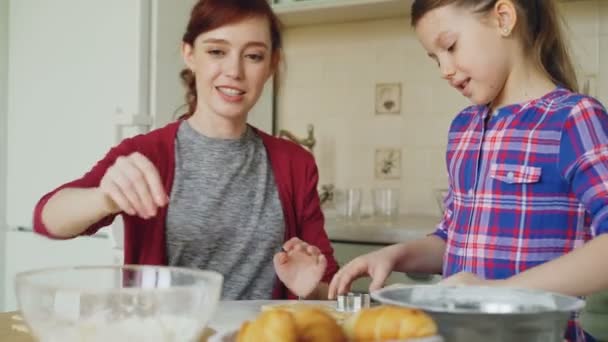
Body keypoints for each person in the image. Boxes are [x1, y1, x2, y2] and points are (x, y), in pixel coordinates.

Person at [328, 0, 608, 341]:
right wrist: (394, 255)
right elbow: (452, 239)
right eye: (435, 58)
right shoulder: (464, 128)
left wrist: (498, 293)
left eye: (450, 47)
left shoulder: (573, 118)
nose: (444, 69)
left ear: (503, 19)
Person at [32, 0, 338, 301]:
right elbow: (46, 219)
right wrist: (103, 198)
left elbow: (327, 285)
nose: (234, 71)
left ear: (271, 64)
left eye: (254, 56)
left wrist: (309, 287)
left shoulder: (295, 163)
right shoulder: (146, 152)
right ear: (189, 54)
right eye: (217, 51)